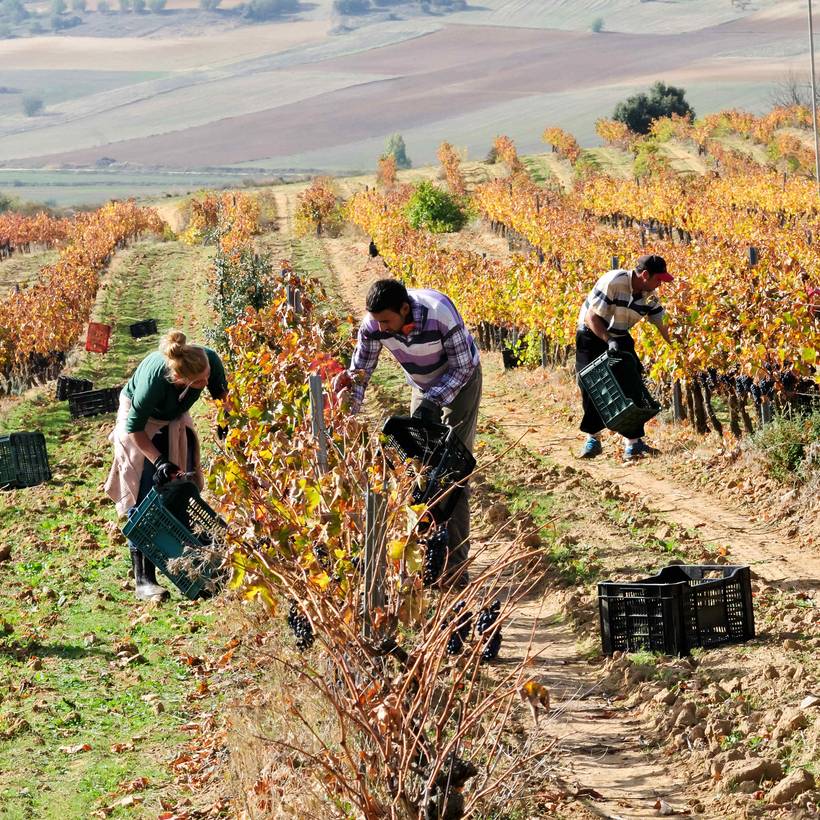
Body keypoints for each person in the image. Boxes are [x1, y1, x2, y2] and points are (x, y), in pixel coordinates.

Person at [334, 279, 481, 587]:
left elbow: (462, 368)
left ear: (404, 309)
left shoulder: (439, 314)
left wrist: (433, 400)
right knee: (418, 471)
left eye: (387, 321)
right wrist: (346, 410)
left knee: (451, 473)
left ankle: (455, 569)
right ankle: (428, 560)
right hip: (422, 384)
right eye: (377, 322)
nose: (382, 328)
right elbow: (362, 372)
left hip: (461, 383)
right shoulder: (374, 325)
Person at [105, 330, 228, 601]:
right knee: (145, 489)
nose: (206, 381)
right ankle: (144, 580)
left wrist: (226, 421)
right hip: (139, 424)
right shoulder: (155, 383)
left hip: (172, 417)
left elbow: (222, 396)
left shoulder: (207, 360)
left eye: (207, 375)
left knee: (180, 484)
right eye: (199, 382)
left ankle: (189, 564)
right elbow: (134, 428)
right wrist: (159, 461)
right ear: (179, 380)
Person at [576, 254, 673, 461]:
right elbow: (591, 317)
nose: (659, 285)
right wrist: (608, 340)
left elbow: (661, 322)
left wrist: (678, 345)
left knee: (632, 382)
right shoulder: (613, 282)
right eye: (658, 279)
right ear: (645, 275)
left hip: (618, 333)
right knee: (592, 384)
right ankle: (592, 439)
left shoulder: (649, 294)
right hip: (592, 331)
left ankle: (633, 444)